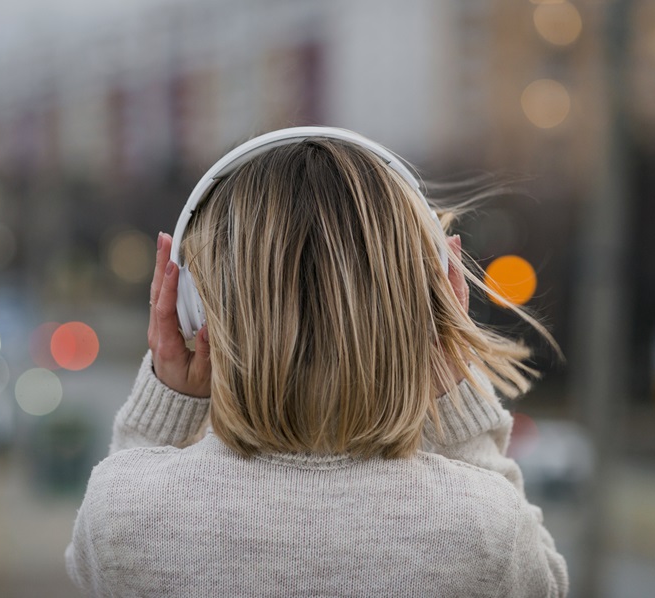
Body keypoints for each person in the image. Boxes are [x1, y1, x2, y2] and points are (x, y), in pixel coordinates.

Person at [65, 128, 568, 597]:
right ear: (429, 314)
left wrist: (166, 406)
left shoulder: (122, 514)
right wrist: (455, 395)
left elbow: (95, 574)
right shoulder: (486, 529)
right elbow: (543, 584)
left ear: (192, 309)